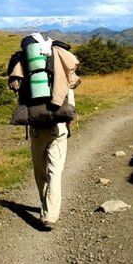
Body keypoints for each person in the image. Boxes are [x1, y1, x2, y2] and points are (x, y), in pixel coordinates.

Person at [8, 34, 79, 230]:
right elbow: (69, 95)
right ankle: (50, 214)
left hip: (37, 128)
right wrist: (69, 119)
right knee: (55, 171)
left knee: (40, 171)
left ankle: (46, 207)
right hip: (58, 126)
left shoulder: (26, 64)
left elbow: (18, 90)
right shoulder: (61, 66)